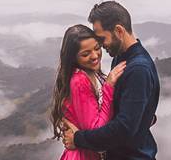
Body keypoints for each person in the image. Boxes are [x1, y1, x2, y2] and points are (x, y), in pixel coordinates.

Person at [61, 1, 160, 160]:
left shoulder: (138, 69)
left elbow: (123, 129)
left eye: (102, 39)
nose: (100, 45)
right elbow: (123, 111)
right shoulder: (121, 58)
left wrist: (77, 139)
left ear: (119, 31)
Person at [50, 24, 128, 160]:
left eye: (97, 48)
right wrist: (109, 86)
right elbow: (96, 130)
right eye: (85, 54)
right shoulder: (79, 81)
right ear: (73, 58)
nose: (94, 56)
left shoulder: (92, 74)